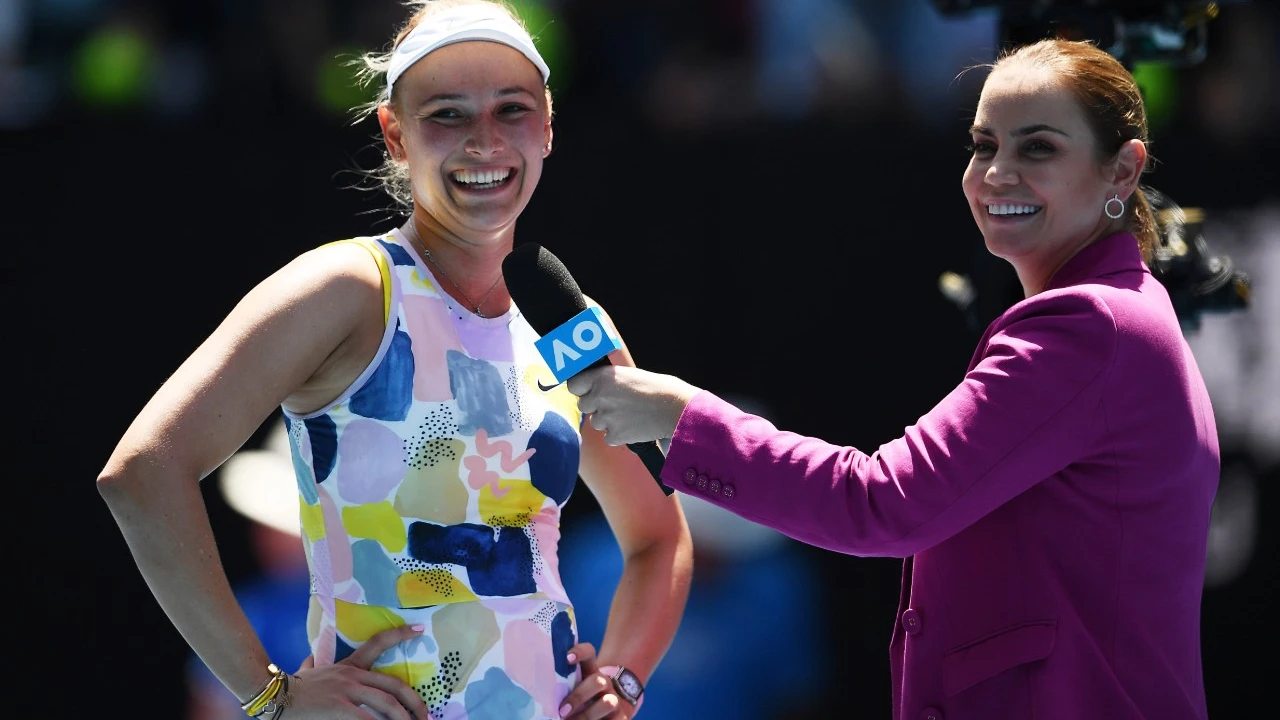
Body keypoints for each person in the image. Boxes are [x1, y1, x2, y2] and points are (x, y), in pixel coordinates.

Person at [566, 38, 1220, 720]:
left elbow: (880, 502)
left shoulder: (1090, 326)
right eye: (982, 144)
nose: (996, 172)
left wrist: (681, 416)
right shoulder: (1119, 318)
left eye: (1038, 148)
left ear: (1122, 171)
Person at [96, 1, 693, 719]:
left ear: (548, 128)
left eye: (512, 110)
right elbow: (142, 475)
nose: (483, 141)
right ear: (395, 135)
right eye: (447, 114)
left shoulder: (569, 321)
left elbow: (658, 537)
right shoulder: (348, 289)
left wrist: (623, 679)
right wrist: (269, 696)